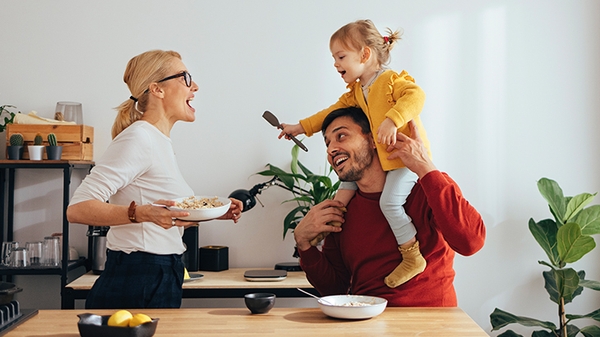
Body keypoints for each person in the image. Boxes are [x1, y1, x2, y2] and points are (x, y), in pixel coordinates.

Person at [66, 50, 243, 309]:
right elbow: (77, 209)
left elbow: (162, 214)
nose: (194, 86)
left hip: (160, 272)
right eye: (185, 77)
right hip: (138, 276)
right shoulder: (139, 138)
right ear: (157, 89)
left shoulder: (158, 141)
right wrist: (143, 214)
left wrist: (212, 213)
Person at [279, 19, 430, 288]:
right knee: (340, 201)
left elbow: (416, 96)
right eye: (334, 58)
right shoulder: (357, 92)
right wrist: (299, 128)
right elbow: (329, 114)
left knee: (390, 204)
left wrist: (392, 120)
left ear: (364, 54)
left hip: (401, 162)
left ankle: (411, 255)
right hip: (380, 161)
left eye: (340, 57)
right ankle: (320, 236)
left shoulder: (391, 81)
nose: (336, 64)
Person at [293, 106, 485, 307]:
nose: (331, 149)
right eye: (327, 143)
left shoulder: (428, 187)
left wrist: (425, 166)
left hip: (432, 325)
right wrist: (304, 244)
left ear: (373, 140)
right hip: (369, 323)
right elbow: (336, 289)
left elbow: (471, 243)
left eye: (341, 136)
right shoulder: (341, 209)